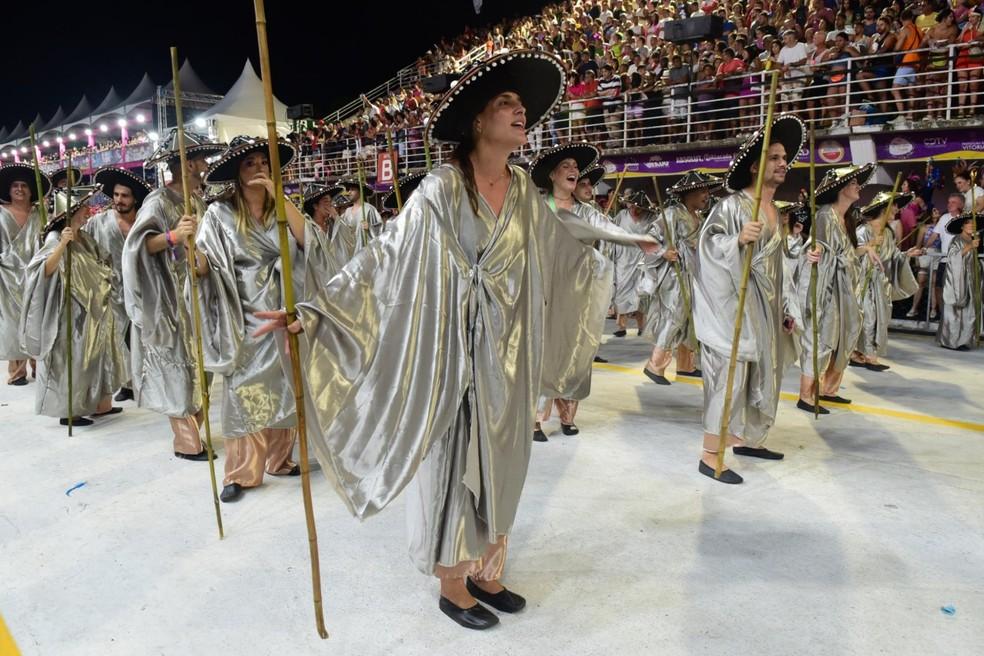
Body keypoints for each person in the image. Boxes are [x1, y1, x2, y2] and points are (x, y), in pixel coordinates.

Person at [254, 50, 654, 630]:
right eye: (506, 105)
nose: (520, 114)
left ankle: (489, 570)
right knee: (454, 463)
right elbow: (383, 258)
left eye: (521, 106)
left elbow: (563, 239)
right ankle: (452, 582)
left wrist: (621, 241)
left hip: (510, 356)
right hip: (453, 356)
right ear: (477, 121)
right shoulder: (442, 188)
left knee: (507, 461)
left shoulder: (521, 187)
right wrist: (316, 311)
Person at [194, 137, 337, 503]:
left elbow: (314, 245)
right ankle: (241, 472)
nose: (258, 168)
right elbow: (206, 264)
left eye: (263, 162)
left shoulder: (282, 210)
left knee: (287, 387)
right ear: (237, 176)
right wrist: (191, 257)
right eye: (249, 164)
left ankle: (280, 458)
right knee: (244, 393)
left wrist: (281, 196)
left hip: (285, 312)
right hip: (244, 316)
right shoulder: (219, 214)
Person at [692, 113, 811, 485]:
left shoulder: (775, 209)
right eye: (774, 158)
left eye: (783, 158)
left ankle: (750, 439)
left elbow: (778, 267)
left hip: (767, 312)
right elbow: (705, 249)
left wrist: (788, 302)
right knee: (730, 378)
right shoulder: (731, 207)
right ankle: (710, 455)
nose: (782, 163)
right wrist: (736, 240)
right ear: (755, 167)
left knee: (765, 375)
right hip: (733, 311)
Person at [527, 141, 651, 442]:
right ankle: (533, 418)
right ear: (553, 175)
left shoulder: (588, 212)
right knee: (541, 351)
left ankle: (567, 414)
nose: (573, 171)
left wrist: (638, 240)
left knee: (576, 349)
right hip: (543, 289)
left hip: (578, 290)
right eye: (566, 167)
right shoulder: (538, 207)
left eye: (574, 167)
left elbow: (612, 231)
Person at [121, 130, 227, 462]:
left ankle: (193, 429)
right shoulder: (158, 201)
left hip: (196, 296)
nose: (206, 166)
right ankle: (186, 442)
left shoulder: (197, 200)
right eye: (202, 161)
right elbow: (137, 246)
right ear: (188, 164)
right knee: (180, 371)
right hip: (170, 300)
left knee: (201, 368)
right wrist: (172, 235)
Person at [20, 188, 125, 426]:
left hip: (94, 310)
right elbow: (42, 271)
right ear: (72, 213)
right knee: (72, 362)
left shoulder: (85, 237)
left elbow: (102, 260)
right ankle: (69, 411)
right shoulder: (55, 238)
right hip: (69, 311)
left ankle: (97, 404)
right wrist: (62, 245)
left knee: (95, 358)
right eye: (84, 209)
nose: (89, 212)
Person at [796, 164, 874, 414]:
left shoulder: (845, 218)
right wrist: (812, 255)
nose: (857, 187)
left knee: (841, 338)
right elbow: (812, 249)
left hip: (843, 291)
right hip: (826, 291)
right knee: (821, 340)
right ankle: (805, 395)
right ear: (840, 189)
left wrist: (866, 249)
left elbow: (846, 254)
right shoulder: (824, 216)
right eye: (852, 184)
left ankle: (827, 389)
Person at [641, 171, 723, 386]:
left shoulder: (700, 217)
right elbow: (648, 239)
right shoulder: (671, 213)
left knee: (690, 319)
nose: (706, 195)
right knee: (674, 318)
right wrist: (663, 253)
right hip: (676, 277)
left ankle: (686, 365)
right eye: (702, 191)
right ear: (690, 193)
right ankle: (654, 365)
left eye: (707, 191)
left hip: (694, 275)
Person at [85, 167, 153, 403]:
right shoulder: (98, 222)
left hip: (143, 289)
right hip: (111, 292)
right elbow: (86, 250)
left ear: (134, 198)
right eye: (115, 195)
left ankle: (146, 380)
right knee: (118, 340)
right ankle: (126, 384)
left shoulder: (146, 223)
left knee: (143, 336)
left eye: (124, 196)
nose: (119, 200)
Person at [850, 191, 922, 370]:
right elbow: (852, 253)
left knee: (879, 319)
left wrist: (906, 255)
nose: (897, 209)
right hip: (862, 281)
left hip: (880, 282)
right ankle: (867, 356)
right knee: (867, 317)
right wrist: (871, 244)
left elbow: (892, 256)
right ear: (883, 209)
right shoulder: (863, 230)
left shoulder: (888, 234)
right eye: (894, 206)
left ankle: (859, 354)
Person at [0, 164, 50, 386]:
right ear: (8, 190)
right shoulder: (0, 213)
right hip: (7, 276)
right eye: (15, 186)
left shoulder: (41, 214)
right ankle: (16, 371)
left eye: (24, 186)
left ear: (31, 190)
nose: (19, 189)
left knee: (37, 320)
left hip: (36, 274)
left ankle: (37, 365)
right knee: (11, 322)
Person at [612, 190, 656, 336]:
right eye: (631, 206)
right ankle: (621, 327)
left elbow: (657, 235)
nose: (634, 209)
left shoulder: (651, 217)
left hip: (642, 259)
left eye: (638, 207)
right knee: (622, 293)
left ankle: (642, 327)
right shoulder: (621, 217)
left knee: (641, 295)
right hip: (624, 259)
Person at [937, 212, 981, 350]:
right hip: (956, 280)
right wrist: (969, 247)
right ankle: (950, 340)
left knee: (969, 310)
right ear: (963, 226)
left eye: (974, 224)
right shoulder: (956, 239)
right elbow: (953, 258)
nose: (972, 226)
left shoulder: (972, 240)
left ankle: (964, 340)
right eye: (969, 223)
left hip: (969, 279)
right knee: (955, 311)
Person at [928, 193, 967, 320]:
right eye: (949, 202)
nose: (949, 204)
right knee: (939, 287)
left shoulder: (966, 219)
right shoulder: (944, 217)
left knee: (958, 289)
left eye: (953, 202)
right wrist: (923, 247)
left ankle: (957, 316)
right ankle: (943, 313)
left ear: (961, 204)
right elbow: (934, 235)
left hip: (960, 261)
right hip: (944, 259)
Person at [337, 175, 382, 253]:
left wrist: (370, 227)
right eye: (349, 190)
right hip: (350, 253)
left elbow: (380, 229)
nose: (349, 192)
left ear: (360, 191)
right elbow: (340, 228)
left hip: (365, 253)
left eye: (352, 190)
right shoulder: (347, 211)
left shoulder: (369, 209)